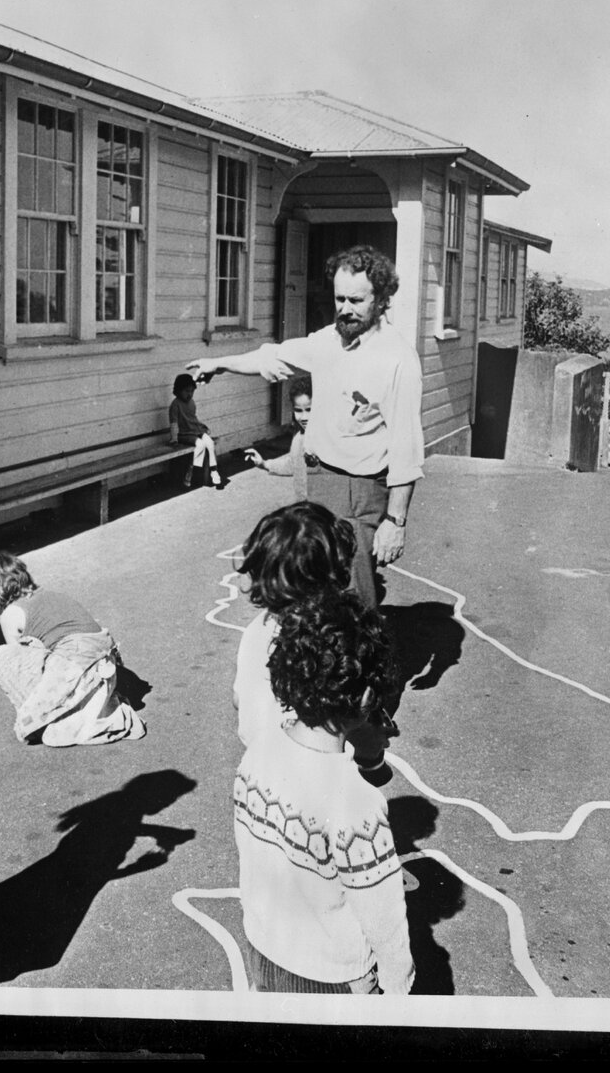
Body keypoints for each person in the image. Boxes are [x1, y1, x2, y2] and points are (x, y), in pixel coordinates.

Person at [188, 245, 423, 610]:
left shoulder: (397, 359)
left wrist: (395, 520)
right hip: (317, 481)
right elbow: (272, 356)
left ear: (381, 299)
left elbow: (406, 450)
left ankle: (362, 647)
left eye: (356, 300)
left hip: (358, 492)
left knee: (354, 596)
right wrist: (218, 364)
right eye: (340, 299)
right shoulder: (328, 341)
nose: (345, 309)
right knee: (316, 586)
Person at [232, 578, 415, 995]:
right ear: (367, 698)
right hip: (334, 975)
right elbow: (384, 920)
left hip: (264, 949)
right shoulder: (357, 803)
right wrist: (398, 990)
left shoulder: (258, 752)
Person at [233, 502, 401, 775]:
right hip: (310, 767)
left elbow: (239, 699)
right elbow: (348, 716)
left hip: (258, 760)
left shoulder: (256, 629)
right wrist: (371, 751)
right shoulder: (330, 641)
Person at [0, 552, 147, 747]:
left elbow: (17, 660)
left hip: (75, 668)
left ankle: (47, 717)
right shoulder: (52, 595)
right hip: (103, 665)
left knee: (1, 656)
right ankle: (88, 708)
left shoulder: (11, 614)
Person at [243, 376, 314, 500]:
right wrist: (264, 463)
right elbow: (292, 465)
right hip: (305, 504)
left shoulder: (331, 439)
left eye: (309, 410)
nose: (304, 417)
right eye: (298, 410)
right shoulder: (298, 438)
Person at [169, 373, 224, 490]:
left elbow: (193, 419)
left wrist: (202, 427)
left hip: (195, 430)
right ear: (178, 390)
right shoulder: (175, 405)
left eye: (192, 391)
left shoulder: (192, 403)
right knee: (200, 444)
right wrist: (174, 439)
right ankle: (191, 470)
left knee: (210, 442)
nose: (189, 394)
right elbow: (174, 423)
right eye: (186, 391)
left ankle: (214, 470)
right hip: (184, 434)